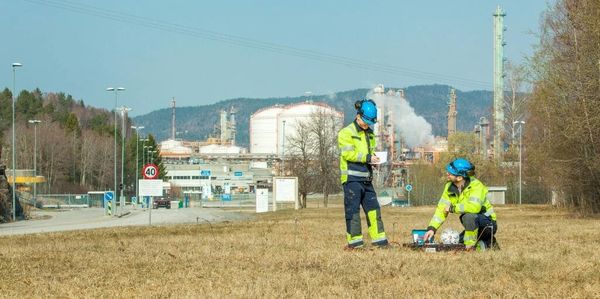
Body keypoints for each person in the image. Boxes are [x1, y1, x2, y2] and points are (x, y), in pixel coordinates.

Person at [338, 99, 388, 249]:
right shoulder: (346, 133)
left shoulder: (370, 134)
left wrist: (374, 159)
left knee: (374, 210)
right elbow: (347, 154)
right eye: (365, 121)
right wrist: (367, 158)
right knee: (353, 211)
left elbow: (369, 152)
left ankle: (380, 242)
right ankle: (355, 244)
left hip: (366, 178)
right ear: (358, 116)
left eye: (370, 122)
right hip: (352, 179)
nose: (367, 125)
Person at [423, 158, 498, 250]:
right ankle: (490, 244)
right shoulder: (449, 187)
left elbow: (474, 208)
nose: (447, 174)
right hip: (472, 224)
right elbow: (441, 209)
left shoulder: (476, 186)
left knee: (468, 216)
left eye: (450, 173)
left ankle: (470, 247)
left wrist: (452, 208)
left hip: (488, 224)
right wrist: (432, 228)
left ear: (459, 177)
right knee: (457, 242)